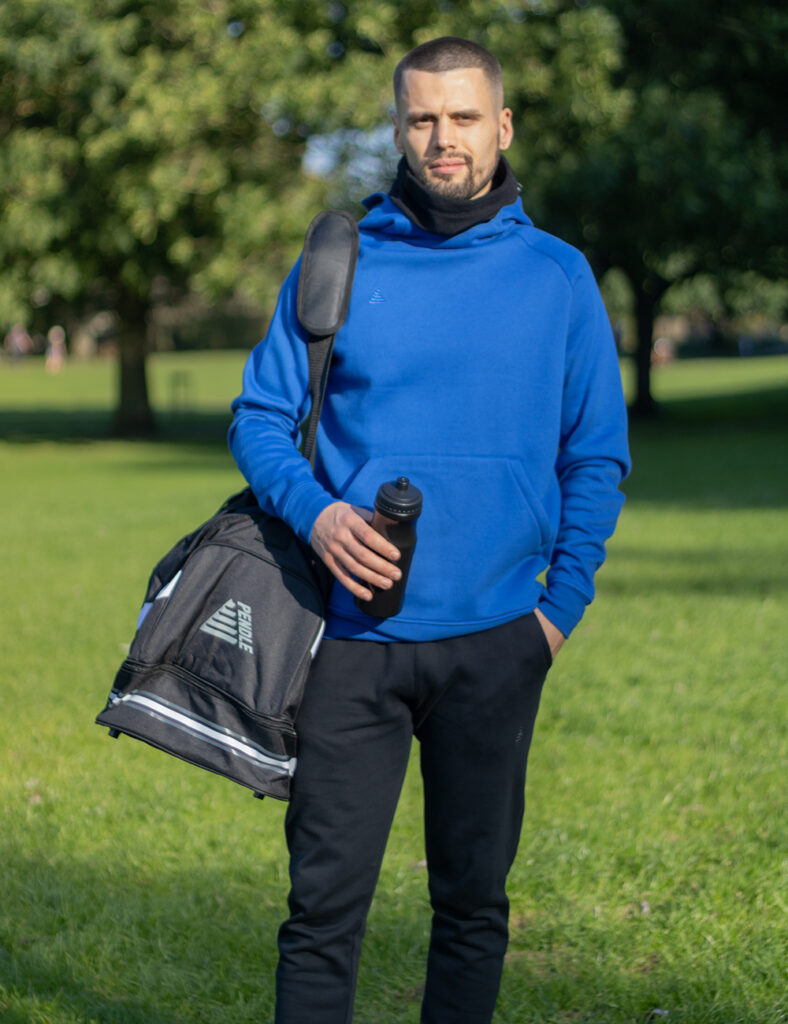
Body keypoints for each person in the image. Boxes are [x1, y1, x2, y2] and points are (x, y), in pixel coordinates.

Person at [229, 36, 630, 1024]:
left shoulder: (557, 278)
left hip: (498, 641)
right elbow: (258, 417)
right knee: (321, 912)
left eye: (460, 117)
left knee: (471, 906)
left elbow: (595, 458)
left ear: (500, 125)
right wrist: (317, 513)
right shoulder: (340, 257)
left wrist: (554, 613)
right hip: (350, 649)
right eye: (419, 119)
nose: (440, 139)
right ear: (399, 127)